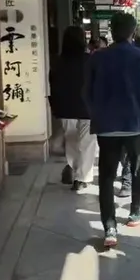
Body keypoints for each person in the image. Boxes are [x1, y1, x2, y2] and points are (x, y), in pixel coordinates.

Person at [87, 12, 140, 248]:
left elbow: (87, 91)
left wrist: (97, 114)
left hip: (106, 127)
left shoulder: (97, 58)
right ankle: (135, 212)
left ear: (111, 31)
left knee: (106, 176)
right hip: (135, 125)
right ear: (133, 32)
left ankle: (109, 228)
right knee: (137, 169)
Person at [49, 25, 96, 192]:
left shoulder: (58, 62)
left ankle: (75, 170)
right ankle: (82, 178)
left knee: (71, 140)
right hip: (87, 108)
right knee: (87, 143)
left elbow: (53, 85)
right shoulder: (89, 60)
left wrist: (56, 106)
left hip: (66, 108)